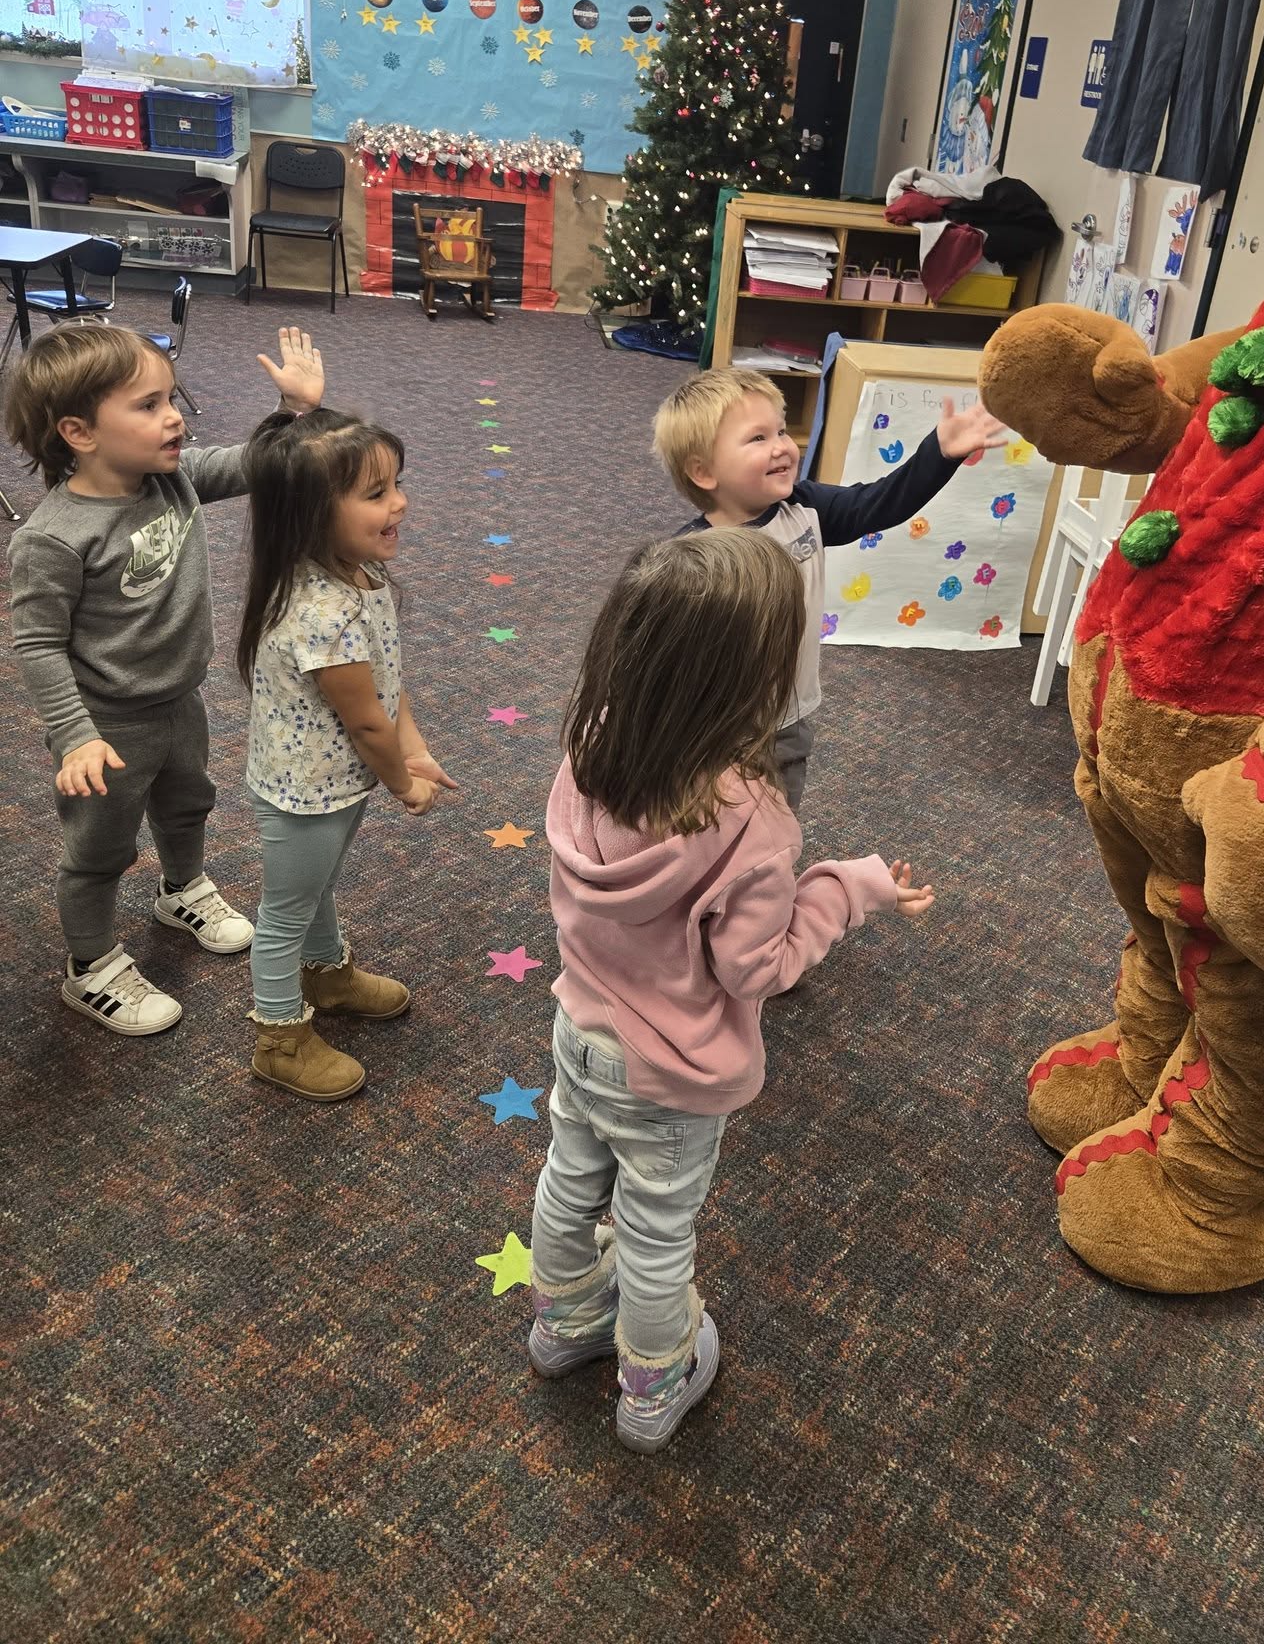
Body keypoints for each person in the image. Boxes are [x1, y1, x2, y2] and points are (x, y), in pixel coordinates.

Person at [528, 529, 934, 1452]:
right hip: (667, 1077)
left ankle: (561, 1326)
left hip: (579, 1026)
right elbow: (760, 967)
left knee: (568, 1179)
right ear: (748, 682)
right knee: (656, 1234)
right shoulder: (751, 823)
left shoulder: (586, 748)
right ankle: (651, 1387)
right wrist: (847, 887)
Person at [6, 320, 324, 1038]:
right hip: (106, 729)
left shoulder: (170, 478)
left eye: (171, 398)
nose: (174, 415)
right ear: (80, 433)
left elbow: (258, 465)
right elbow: (37, 643)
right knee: (99, 850)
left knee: (189, 804)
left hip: (179, 697)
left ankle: (181, 891)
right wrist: (75, 736)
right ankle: (90, 967)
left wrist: (297, 414)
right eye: (148, 405)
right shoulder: (53, 537)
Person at [653, 366, 1006, 808]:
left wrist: (939, 453)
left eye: (781, 431)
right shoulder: (691, 557)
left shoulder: (804, 509)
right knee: (708, 826)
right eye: (757, 438)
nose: (783, 446)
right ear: (703, 472)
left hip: (787, 719)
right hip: (713, 730)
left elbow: (876, 504)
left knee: (778, 828)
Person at [237, 408, 455, 1102]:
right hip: (306, 790)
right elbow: (365, 723)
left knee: (316, 887)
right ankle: (279, 1037)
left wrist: (414, 750)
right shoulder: (321, 614)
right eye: (376, 493)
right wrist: (403, 783)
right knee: (284, 913)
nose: (401, 503)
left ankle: (326, 975)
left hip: (338, 780)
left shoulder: (360, 576)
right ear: (310, 516)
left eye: (397, 484)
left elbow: (389, 685)